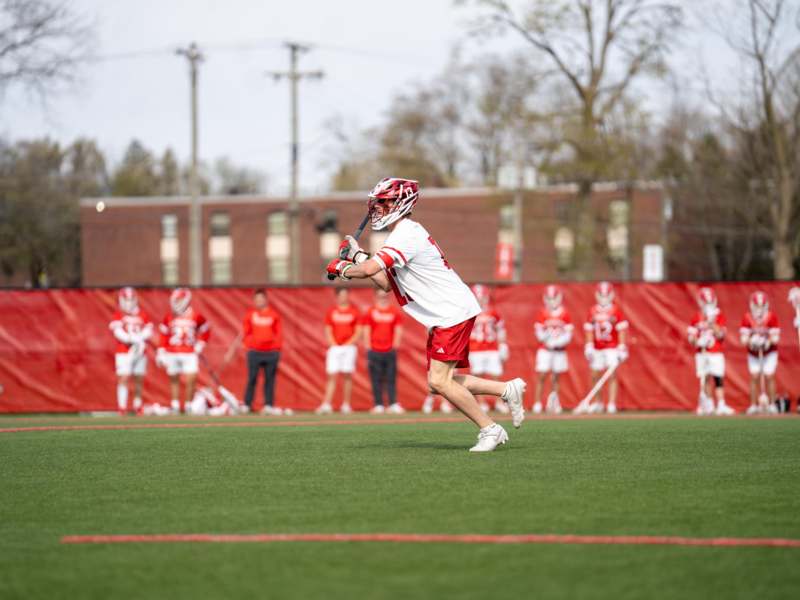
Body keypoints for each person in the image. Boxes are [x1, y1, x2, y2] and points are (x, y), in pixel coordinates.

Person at [325, 177, 525, 452]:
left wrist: (344, 269)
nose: (379, 208)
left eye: (384, 202)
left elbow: (372, 270)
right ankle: (506, 390)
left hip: (451, 311)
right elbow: (384, 282)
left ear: (402, 202)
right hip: (445, 313)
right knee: (437, 384)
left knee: (439, 380)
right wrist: (356, 257)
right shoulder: (402, 235)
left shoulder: (407, 234)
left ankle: (490, 429)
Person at [225, 289, 284, 415]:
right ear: (254, 301)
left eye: (261, 298)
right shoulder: (250, 315)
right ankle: (247, 404)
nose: (259, 301)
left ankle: (268, 405)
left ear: (266, 299)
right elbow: (245, 332)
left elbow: (278, 333)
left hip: (271, 352)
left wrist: (277, 349)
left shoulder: (273, 315)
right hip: (255, 352)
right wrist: (247, 346)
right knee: (252, 378)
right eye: (257, 299)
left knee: (270, 380)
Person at [156, 288, 210, 414]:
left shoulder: (195, 315)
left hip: (189, 351)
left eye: (179, 300)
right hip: (172, 351)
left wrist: (201, 343)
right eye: (175, 300)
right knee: (174, 378)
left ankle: (188, 405)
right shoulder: (169, 316)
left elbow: (206, 329)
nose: (176, 302)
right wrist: (161, 351)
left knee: (191, 378)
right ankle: (175, 405)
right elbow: (164, 334)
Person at [577, 281, 628, 414]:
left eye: (606, 295)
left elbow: (621, 329)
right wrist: (588, 346)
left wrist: (622, 347)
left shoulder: (616, 310)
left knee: (611, 374)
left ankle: (611, 403)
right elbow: (589, 329)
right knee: (594, 375)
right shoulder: (593, 310)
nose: (604, 298)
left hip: (612, 347)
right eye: (602, 295)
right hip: (597, 347)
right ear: (597, 295)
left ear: (611, 295)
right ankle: (598, 402)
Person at [687, 287, 734, 416]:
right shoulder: (696, 317)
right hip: (702, 352)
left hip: (715, 351)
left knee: (718, 377)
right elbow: (691, 337)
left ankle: (721, 404)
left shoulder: (718, 316)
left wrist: (711, 322)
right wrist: (698, 341)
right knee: (705, 377)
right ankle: (708, 404)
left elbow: (721, 334)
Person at [109, 287, 153, 415]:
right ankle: (122, 406)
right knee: (123, 377)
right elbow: (117, 332)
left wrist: (139, 339)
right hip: (124, 351)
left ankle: (137, 405)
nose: (128, 302)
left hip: (139, 351)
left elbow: (148, 330)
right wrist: (131, 339)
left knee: (138, 378)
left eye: (131, 299)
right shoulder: (118, 314)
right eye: (126, 299)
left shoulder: (142, 314)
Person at [467, 284, 510, 414]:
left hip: (491, 348)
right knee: (477, 376)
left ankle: (498, 402)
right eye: (478, 297)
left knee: (496, 375)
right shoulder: (469, 313)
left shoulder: (493, 312)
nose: (480, 300)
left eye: (483, 297)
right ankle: (480, 403)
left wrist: (503, 344)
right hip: (475, 348)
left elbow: (501, 328)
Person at [317, 288, 361, 414]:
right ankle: (326, 404)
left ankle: (346, 405)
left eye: (346, 295)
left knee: (347, 375)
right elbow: (328, 329)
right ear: (337, 297)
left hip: (349, 347)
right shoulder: (332, 311)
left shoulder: (354, 311)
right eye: (341, 295)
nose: (344, 297)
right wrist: (334, 344)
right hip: (335, 347)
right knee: (332, 375)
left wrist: (348, 343)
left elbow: (358, 331)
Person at [532, 285, 573, 415]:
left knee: (556, 377)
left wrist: (559, 342)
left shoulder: (565, 313)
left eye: (554, 298)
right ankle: (537, 402)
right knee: (542, 375)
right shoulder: (542, 313)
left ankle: (555, 401)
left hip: (559, 350)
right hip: (545, 349)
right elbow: (539, 333)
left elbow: (568, 333)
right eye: (549, 298)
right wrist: (546, 339)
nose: (552, 301)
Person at [362, 288, 404, 414]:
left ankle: (392, 404)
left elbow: (398, 329)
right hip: (374, 350)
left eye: (385, 295)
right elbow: (366, 330)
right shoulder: (370, 312)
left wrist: (395, 346)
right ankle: (378, 404)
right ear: (375, 296)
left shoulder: (394, 312)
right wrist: (368, 347)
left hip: (390, 350)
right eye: (380, 295)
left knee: (391, 378)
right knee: (376, 378)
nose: (383, 297)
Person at [740, 291, 780, 415]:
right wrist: (751, 342)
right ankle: (753, 405)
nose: (759, 309)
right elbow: (743, 338)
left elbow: (775, 337)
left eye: (761, 306)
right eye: (757, 306)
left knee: (769, 376)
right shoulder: (747, 317)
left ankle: (772, 404)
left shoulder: (771, 317)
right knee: (754, 376)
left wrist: (767, 342)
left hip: (769, 352)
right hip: (753, 353)